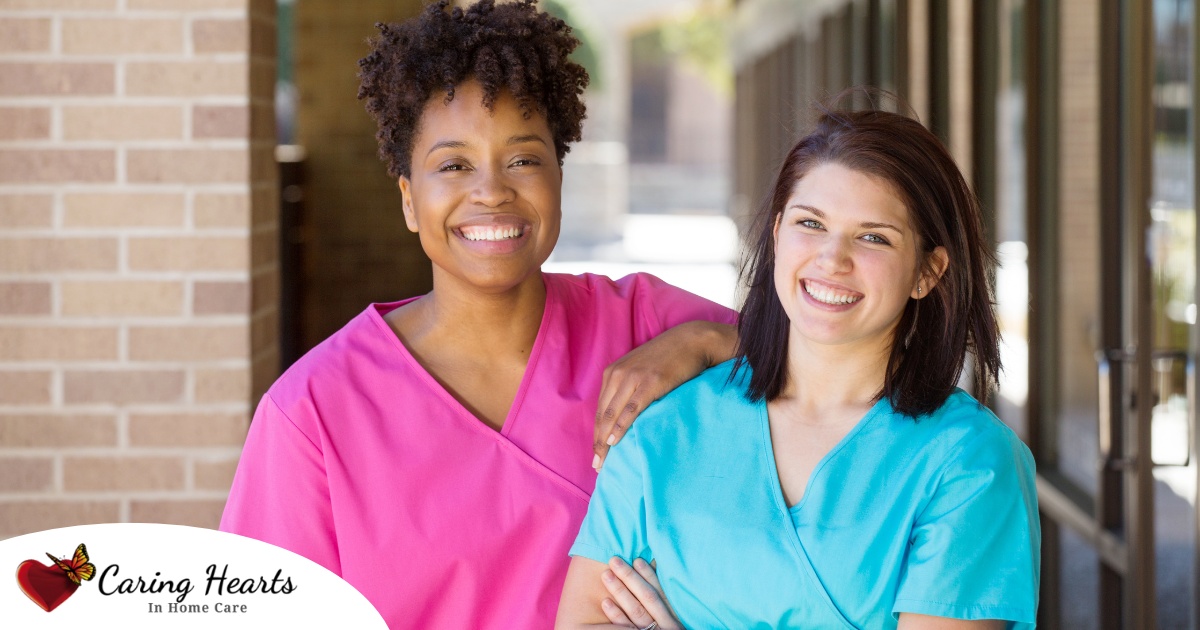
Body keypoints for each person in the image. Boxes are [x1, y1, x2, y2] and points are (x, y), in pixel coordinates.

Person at [219, 1, 736, 628]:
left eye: (523, 159)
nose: (492, 190)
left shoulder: (646, 326)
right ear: (409, 199)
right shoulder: (314, 414)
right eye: (454, 165)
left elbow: (846, 364)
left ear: (558, 177)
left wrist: (705, 342)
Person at [557, 104, 1040, 629]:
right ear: (778, 232)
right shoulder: (663, 429)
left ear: (927, 271)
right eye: (811, 224)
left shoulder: (968, 461)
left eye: (873, 236)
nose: (832, 259)